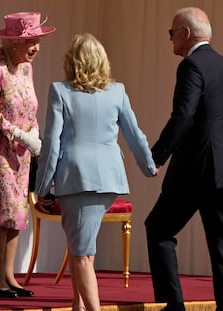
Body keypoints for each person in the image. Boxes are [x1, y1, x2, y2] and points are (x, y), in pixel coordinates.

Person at [35, 33, 157, 311]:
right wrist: (148, 166)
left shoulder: (60, 91)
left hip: (77, 180)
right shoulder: (117, 91)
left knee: (80, 254)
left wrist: (42, 187)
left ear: (71, 62)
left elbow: (52, 143)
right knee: (84, 250)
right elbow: (134, 134)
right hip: (109, 179)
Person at [145, 7, 223, 311]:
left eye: (171, 34)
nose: (170, 41)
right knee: (222, 249)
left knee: (158, 229)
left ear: (185, 33)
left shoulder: (191, 65)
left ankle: (173, 306)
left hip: (198, 170)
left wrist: (156, 156)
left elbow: (183, 115)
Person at [0, 11, 55, 298]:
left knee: (17, 214)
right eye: (31, 41)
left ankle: (9, 276)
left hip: (21, 153)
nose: (36, 48)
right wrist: (18, 134)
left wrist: (36, 137)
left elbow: (29, 107)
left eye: (38, 41)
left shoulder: (26, 68)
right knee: (1, 213)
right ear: (14, 41)